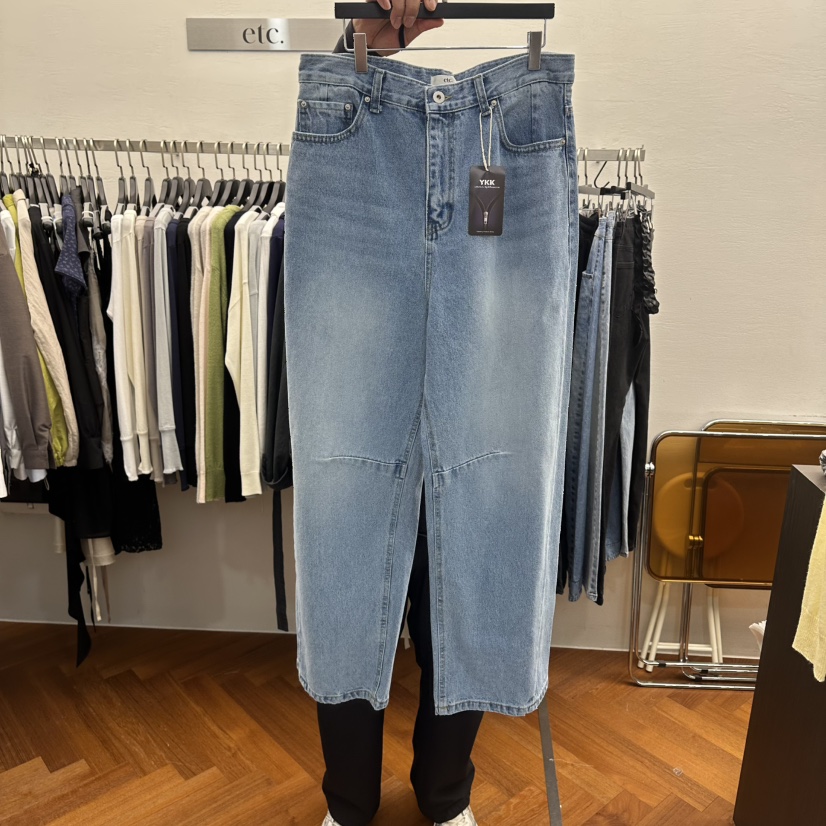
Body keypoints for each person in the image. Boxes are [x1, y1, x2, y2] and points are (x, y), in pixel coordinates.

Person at [313, 7, 481, 826]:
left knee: (467, 565)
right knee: (350, 565)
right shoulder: (349, 128)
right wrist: (366, 43)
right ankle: (350, 802)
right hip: (358, 154)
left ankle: (445, 795)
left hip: (499, 157)